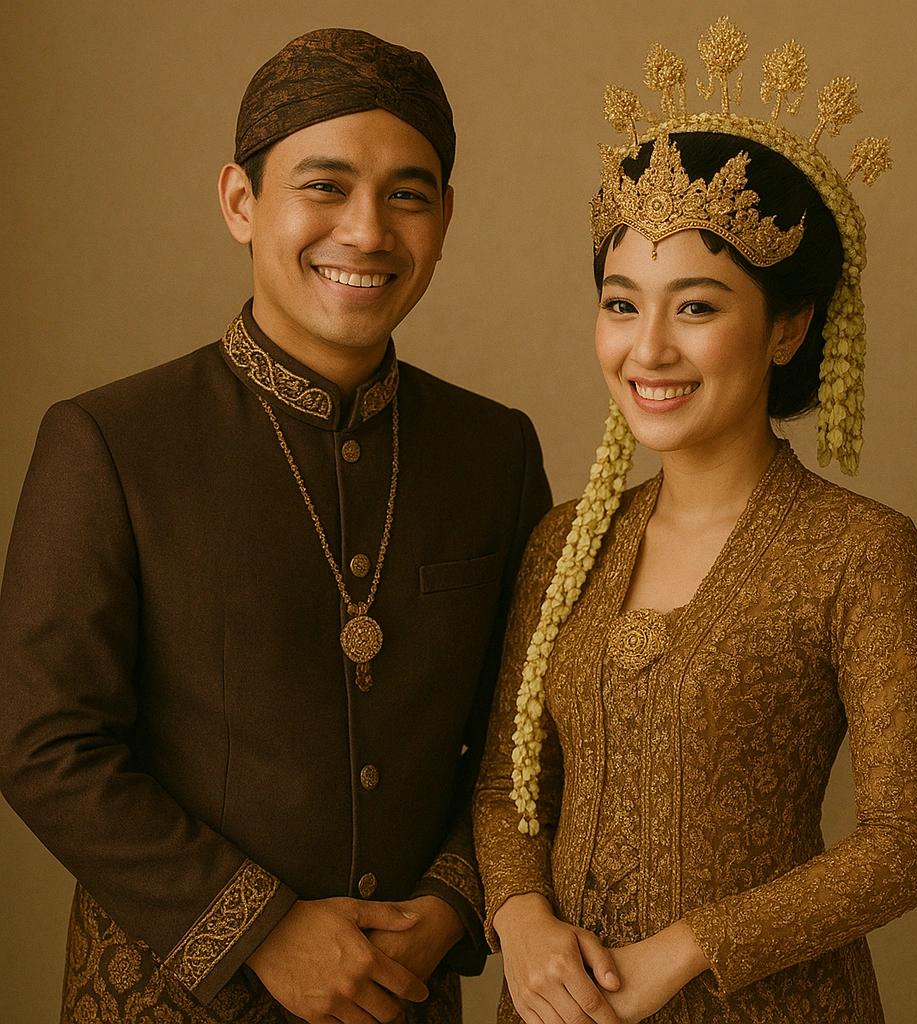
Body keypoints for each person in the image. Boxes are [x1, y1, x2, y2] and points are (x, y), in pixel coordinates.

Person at [0, 27, 551, 1024]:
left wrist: (454, 903)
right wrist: (257, 928)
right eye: (325, 186)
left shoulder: (494, 451)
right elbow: (41, 738)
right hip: (168, 996)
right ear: (240, 202)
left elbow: (523, 732)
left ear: (446, 217)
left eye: (408, 194)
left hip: (404, 997)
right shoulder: (109, 441)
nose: (368, 231)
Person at [473, 17, 917, 1024]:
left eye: (694, 307)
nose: (647, 349)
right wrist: (519, 918)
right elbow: (506, 793)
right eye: (620, 303)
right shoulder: (567, 542)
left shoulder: (859, 553)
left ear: (787, 326)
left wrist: (686, 951)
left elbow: (910, 839)